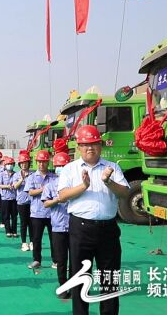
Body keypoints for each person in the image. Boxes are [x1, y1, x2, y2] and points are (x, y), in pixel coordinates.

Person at [57, 126, 129, 314]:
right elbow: (63, 195)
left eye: (94, 144)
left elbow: (125, 193)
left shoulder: (112, 168)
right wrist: (84, 185)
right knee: (80, 280)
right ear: (79, 147)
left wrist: (108, 182)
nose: (90, 148)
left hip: (108, 230)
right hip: (81, 230)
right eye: (85, 144)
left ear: (100, 146)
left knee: (110, 279)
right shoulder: (70, 169)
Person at [43, 152, 72, 299]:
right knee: (61, 260)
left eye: (63, 165)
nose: (60, 168)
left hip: (75, 227)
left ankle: (76, 287)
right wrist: (58, 199)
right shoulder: (49, 185)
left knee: (76, 260)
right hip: (58, 227)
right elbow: (46, 203)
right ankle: (63, 287)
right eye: (58, 166)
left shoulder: (74, 184)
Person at [24, 150, 54, 269]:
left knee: (54, 239)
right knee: (36, 239)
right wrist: (43, 189)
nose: (42, 164)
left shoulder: (54, 177)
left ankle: (56, 260)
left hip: (52, 213)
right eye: (40, 162)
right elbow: (30, 192)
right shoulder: (32, 177)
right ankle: (37, 260)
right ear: (36, 163)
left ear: (48, 162)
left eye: (44, 162)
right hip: (37, 213)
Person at [12, 153, 33, 252]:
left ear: (29, 163)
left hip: (32, 203)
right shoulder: (16, 175)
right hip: (21, 203)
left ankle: (32, 242)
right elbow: (15, 187)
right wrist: (22, 179)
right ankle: (24, 243)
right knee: (23, 223)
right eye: (22, 163)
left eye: (26, 163)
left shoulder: (33, 174)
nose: (24, 165)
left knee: (32, 224)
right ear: (19, 165)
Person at [0, 156, 17, 237]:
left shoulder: (16, 174)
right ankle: (8, 231)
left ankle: (14, 231)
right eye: (8, 164)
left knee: (14, 216)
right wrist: (7, 186)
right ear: (5, 165)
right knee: (6, 215)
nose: (10, 165)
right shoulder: (2, 174)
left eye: (11, 164)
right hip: (5, 198)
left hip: (14, 198)